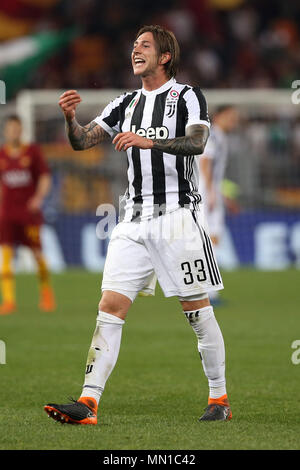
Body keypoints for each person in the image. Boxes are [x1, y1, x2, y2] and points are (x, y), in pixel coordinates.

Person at [44, 24, 232, 424]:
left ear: (165, 56)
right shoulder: (125, 102)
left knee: (196, 311)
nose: (135, 50)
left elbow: (197, 143)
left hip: (177, 219)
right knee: (109, 307)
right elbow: (82, 141)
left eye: (144, 45)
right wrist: (69, 119)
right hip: (132, 221)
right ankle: (88, 403)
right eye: (133, 45)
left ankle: (220, 399)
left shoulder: (187, 97)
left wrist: (151, 142)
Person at [0, 115, 56, 314]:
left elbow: (44, 176)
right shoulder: (2, 155)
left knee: (37, 254)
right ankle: (8, 300)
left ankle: (47, 294)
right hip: (7, 213)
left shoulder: (32, 152)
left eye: (17, 128)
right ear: (6, 131)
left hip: (28, 212)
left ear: (21, 130)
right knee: (5, 255)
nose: (14, 132)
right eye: (10, 129)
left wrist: (38, 198)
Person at [198, 105, 240, 304]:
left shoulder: (220, 136)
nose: (234, 120)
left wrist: (221, 194)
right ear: (218, 116)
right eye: (230, 116)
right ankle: (207, 292)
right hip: (205, 193)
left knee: (213, 239)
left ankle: (208, 291)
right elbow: (204, 162)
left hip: (210, 192)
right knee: (208, 239)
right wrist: (211, 192)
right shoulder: (212, 135)